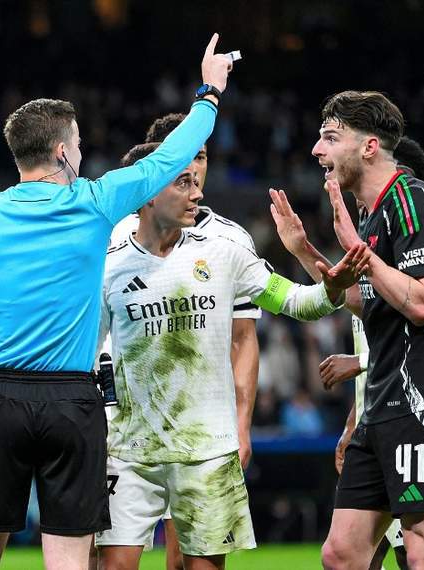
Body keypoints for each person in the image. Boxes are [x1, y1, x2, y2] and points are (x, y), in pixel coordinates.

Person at [0, 34, 235, 570]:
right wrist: (209, 92)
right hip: (71, 401)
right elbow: (172, 156)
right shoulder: (93, 201)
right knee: (69, 561)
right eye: (80, 144)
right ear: (63, 152)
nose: (84, 153)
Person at [95, 141, 365, 570]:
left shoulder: (223, 252)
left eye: (195, 181)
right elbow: (91, 358)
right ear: (146, 192)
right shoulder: (107, 266)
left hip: (208, 450)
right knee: (113, 566)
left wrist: (331, 287)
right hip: (129, 450)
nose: (198, 192)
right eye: (183, 183)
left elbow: (297, 302)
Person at [272, 91, 424, 569]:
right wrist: (304, 250)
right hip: (380, 401)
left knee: (423, 547)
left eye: (330, 138)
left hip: (420, 402)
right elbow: (365, 302)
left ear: (369, 147)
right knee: (342, 553)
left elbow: (423, 303)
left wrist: (362, 254)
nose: (316, 150)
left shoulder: (411, 198)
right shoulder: (372, 215)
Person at [107, 112, 261, 570]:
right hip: (128, 430)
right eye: (184, 157)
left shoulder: (229, 240)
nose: (196, 167)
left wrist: (242, 423)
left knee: (183, 558)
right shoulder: (116, 234)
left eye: (202, 155)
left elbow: (243, 339)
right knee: (112, 559)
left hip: (198, 431)